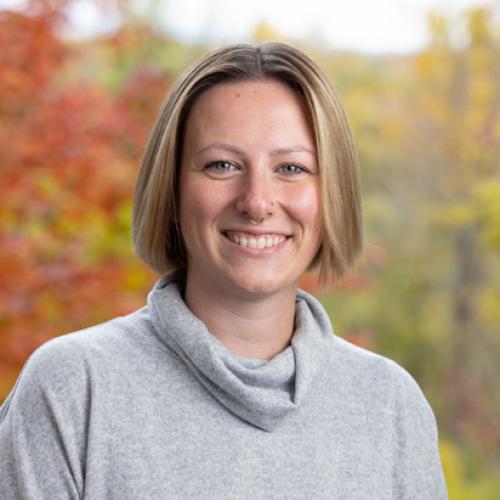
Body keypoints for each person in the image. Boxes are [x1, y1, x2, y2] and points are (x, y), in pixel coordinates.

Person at [0, 42, 448, 499]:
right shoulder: (73, 389)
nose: (256, 202)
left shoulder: (391, 406)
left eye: (291, 167)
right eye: (222, 165)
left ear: (331, 194)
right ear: (172, 189)